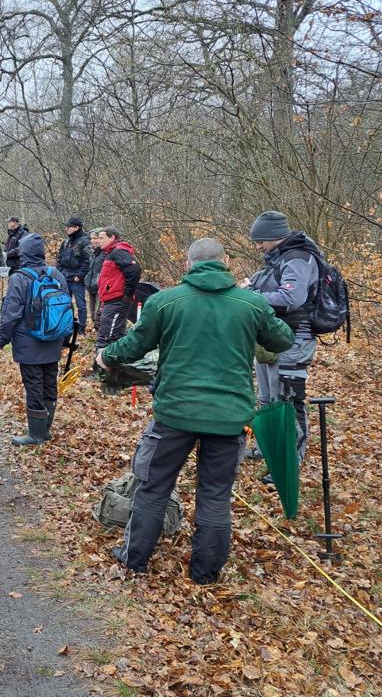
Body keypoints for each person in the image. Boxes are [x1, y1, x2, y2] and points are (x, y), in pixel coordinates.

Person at [97, 238, 293, 583]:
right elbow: (282, 340)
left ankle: (135, 559)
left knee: (153, 486)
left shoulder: (165, 302)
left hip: (174, 414)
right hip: (229, 417)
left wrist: (105, 356)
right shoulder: (252, 304)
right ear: (226, 261)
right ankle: (205, 573)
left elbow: (134, 344)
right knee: (215, 495)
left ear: (188, 265)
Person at [245, 211, 322, 473]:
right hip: (269, 338)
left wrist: (253, 297)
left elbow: (292, 298)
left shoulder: (299, 257)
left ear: (275, 236)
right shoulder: (276, 258)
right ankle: (268, 448)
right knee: (266, 399)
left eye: (260, 240)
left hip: (294, 338)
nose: (257, 246)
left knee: (287, 401)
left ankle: (291, 460)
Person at [0, 233, 68, 446]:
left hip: (29, 342)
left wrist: (2, 339)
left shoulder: (19, 278)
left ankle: (35, 435)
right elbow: (66, 306)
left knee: (34, 384)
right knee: (49, 383)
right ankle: (45, 430)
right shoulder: (57, 274)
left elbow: (11, 313)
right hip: (54, 338)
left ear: (24, 253)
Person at [95, 226, 141, 353]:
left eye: (101, 238)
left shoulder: (118, 252)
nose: (99, 241)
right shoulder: (110, 253)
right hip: (109, 300)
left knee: (108, 337)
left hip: (117, 300)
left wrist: (127, 295)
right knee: (111, 334)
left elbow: (135, 270)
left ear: (112, 237)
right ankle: (115, 367)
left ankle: (104, 368)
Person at [57, 216, 92, 332]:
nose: (66, 228)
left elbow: (88, 261)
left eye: (69, 226)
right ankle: (68, 325)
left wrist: (79, 276)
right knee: (65, 303)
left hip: (77, 279)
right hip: (64, 277)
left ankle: (81, 328)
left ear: (76, 227)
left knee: (81, 305)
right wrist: (60, 273)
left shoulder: (85, 241)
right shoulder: (66, 242)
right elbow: (59, 258)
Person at [84, 229, 104, 331]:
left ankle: (102, 337)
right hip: (91, 286)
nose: (93, 241)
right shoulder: (91, 252)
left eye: (95, 238)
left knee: (98, 316)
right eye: (91, 238)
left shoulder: (105, 253)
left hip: (100, 288)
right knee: (92, 315)